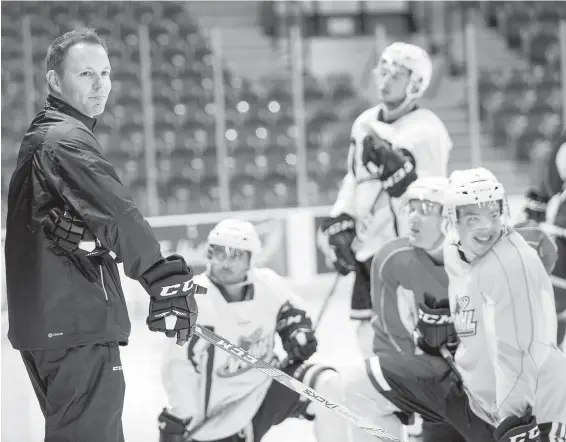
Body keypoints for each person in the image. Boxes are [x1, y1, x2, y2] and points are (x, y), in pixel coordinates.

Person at [4, 28, 201, 442]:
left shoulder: (41, 137)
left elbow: (53, 225)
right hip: (76, 327)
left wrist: (85, 240)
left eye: (106, 73)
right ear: (55, 81)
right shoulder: (65, 141)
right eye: (86, 74)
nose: (100, 85)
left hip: (48, 328)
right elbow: (119, 216)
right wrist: (164, 281)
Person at [340, 176, 558, 442]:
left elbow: (523, 343)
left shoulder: (508, 255)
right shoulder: (398, 259)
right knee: (360, 383)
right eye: (411, 209)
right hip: (452, 385)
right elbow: (390, 338)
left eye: (427, 209)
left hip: (510, 404)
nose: (414, 218)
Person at [316, 42, 453, 359]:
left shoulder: (428, 129)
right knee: (368, 334)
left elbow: (435, 196)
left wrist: (406, 180)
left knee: (413, 335)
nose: (386, 79)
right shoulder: (363, 122)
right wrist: (341, 218)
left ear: (416, 83)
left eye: (398, 74)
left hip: (409, 251)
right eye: (384, 70)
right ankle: (386, 405)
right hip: (369, 249)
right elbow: (356, 178)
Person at [158, 219, 347, 442]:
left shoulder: (268, 284)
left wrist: (298, 332)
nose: (226, 261)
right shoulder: (195, 301)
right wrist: (181, 416)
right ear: (209, 254)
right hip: (218, 420)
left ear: (251, 259)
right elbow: (178, 367)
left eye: (236, 254)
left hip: (264, 388)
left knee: (327, 384)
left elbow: (294, 312)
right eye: (219, 252)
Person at [443, 167, 566, 441]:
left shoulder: (511, 265)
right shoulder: (454, 250)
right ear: (454, 219)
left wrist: (515, 420)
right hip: (486, 403)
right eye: (473, 218)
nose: (486, 227)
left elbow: (518, 353)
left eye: (493, 215)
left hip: (536, 403)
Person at [521, 130, 566, 346]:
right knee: (554, 305)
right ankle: (549, 363)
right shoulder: (561, 143)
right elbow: (550, 185)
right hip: (560, 233)